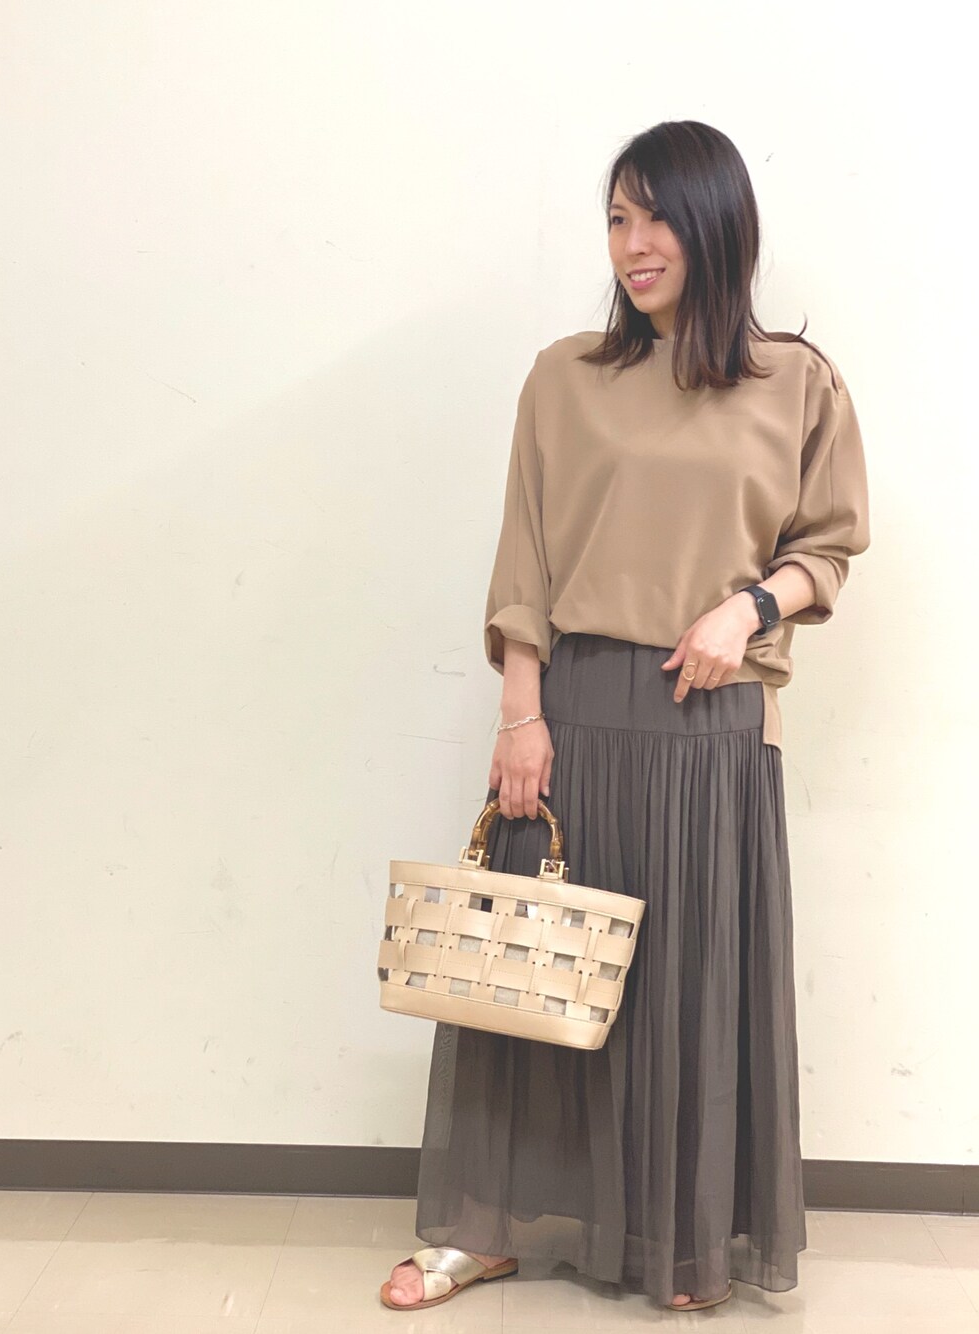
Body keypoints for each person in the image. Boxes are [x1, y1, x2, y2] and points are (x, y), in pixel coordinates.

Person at [380, 119, 870, 1314]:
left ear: (714, 225)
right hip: (578, 710)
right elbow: (526, 561)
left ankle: (679, 1238)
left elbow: (827, 547)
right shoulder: (565, 377)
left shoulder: (796, 381)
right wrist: (520, 712)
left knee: (686, 994)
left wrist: (747, 606)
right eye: (615, 219)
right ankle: (485, 1227)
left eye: (654, 218)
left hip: (712, 723)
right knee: (526, 971)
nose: (632, 243)